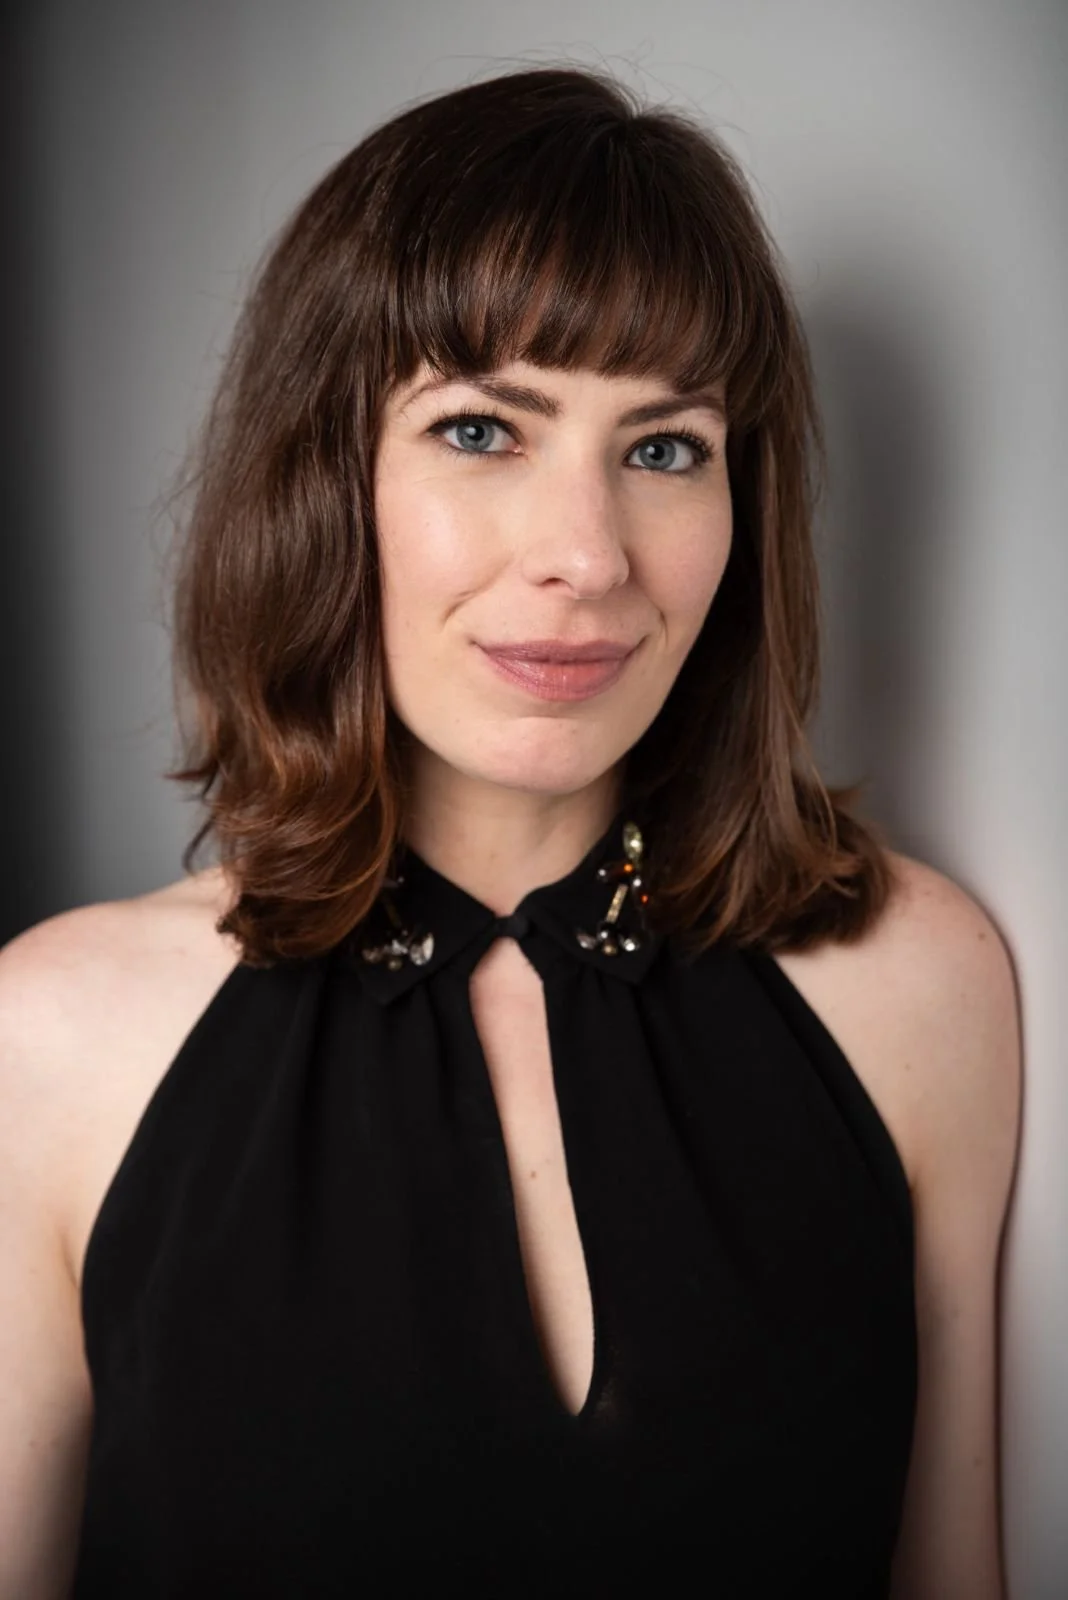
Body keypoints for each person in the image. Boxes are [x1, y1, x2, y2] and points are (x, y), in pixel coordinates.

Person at [0, 63, 1020, 1600]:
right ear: (328, 476)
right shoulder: (50, 1049)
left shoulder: (921, 987)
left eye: (665, 448)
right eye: (483, 431)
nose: (585, 554)